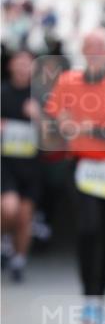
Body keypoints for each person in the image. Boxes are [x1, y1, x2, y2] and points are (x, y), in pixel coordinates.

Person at [43, 28, 105, 324]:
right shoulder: (68, 80)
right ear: (83, 51)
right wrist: (61, 122)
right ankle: (88, 296)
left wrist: (83, 127)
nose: (95, 51)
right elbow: (54, 113)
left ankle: (100, 297)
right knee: (87, 228)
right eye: (90, 46)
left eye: (100, 46)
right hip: (84, 166)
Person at [1, 50, 42, 280]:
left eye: (28, 64)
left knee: (25, 216)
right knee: (9, 208)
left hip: (31, 165)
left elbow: (55, 133)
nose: (23, 68)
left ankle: (19, 260)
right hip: (6, 164)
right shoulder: (3, 93)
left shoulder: (40, 96)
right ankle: (5, 239)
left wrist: (37, 116)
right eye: (19, 63)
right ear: (10, 66)